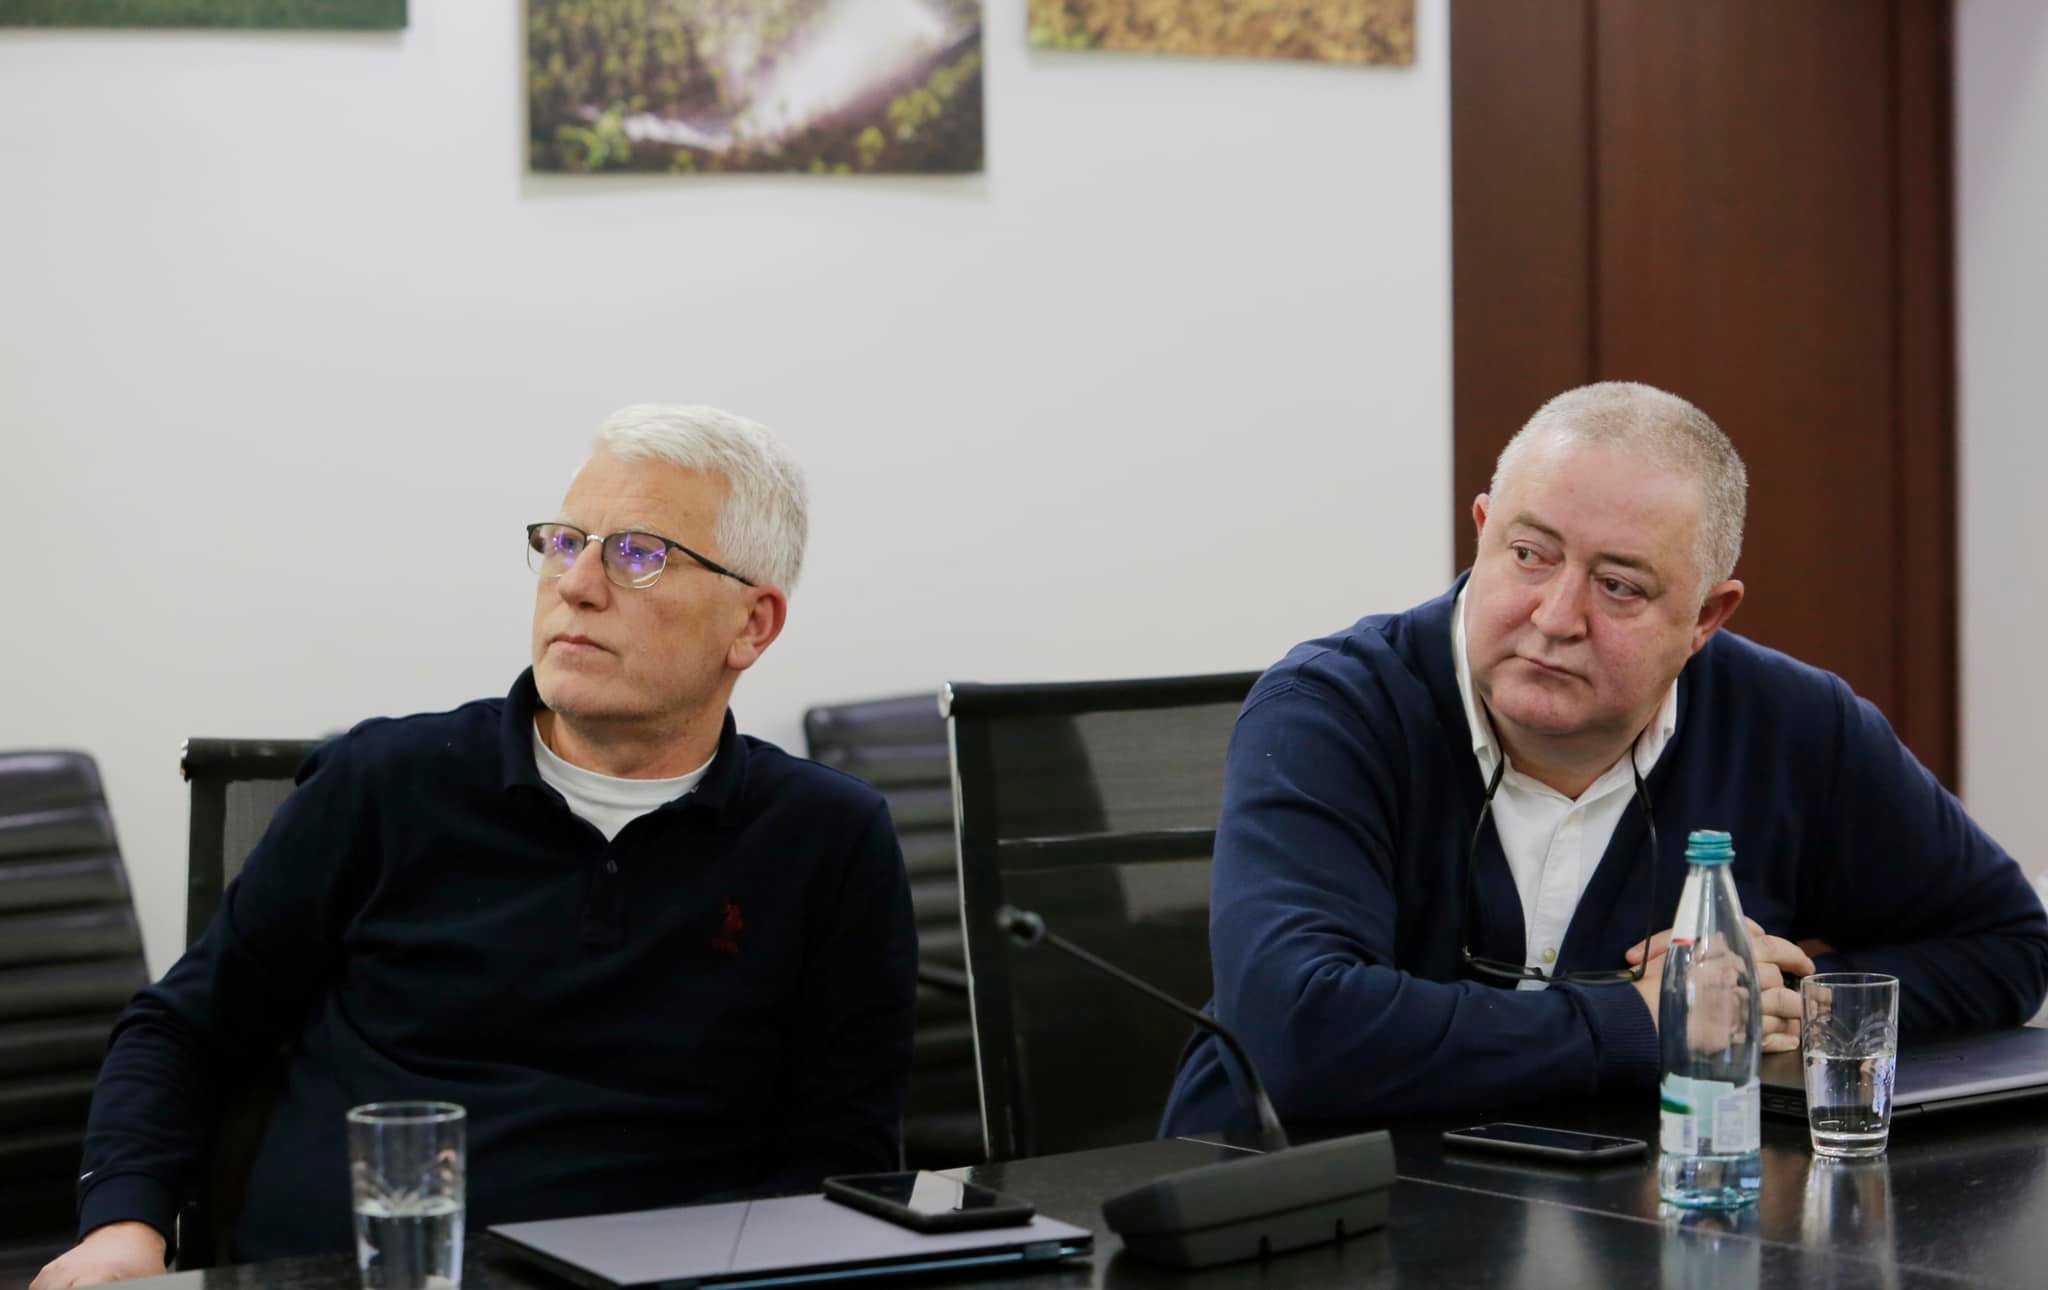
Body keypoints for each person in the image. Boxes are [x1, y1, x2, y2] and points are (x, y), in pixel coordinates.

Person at [38, 405, 917, 1287]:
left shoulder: (824, 838)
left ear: (752, 624)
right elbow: (184, 1029)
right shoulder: (385, 781)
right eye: (564, 543)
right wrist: (123, 1227)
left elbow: (841, 1155)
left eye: (638, 554)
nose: (577, 584)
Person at [1161, 381, 2048, 1135]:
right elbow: (1299, 1036)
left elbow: (2006, 945)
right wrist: (1642, 1021)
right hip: (1306, 1209)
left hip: (1633, 1208)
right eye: (1529, 555)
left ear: (1706, 617)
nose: (1556, 617)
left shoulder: (1795, 725)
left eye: (1619, 586)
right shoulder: (1330, 710)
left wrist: (1772, 1007)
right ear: (1482, 530)